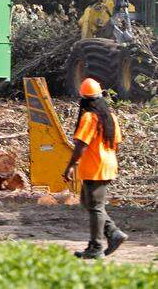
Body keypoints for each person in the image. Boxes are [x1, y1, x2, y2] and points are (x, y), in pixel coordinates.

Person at [63, 78, 127, 259]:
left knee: (96, 206)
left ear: (84, 99)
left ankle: (96, 247)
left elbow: (81, 145)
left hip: (95, 166)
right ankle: (113, 233)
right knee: (87, 201)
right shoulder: (111, 117)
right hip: (107, 163)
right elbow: (117, 144)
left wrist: (70, 166)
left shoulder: (89, 117)